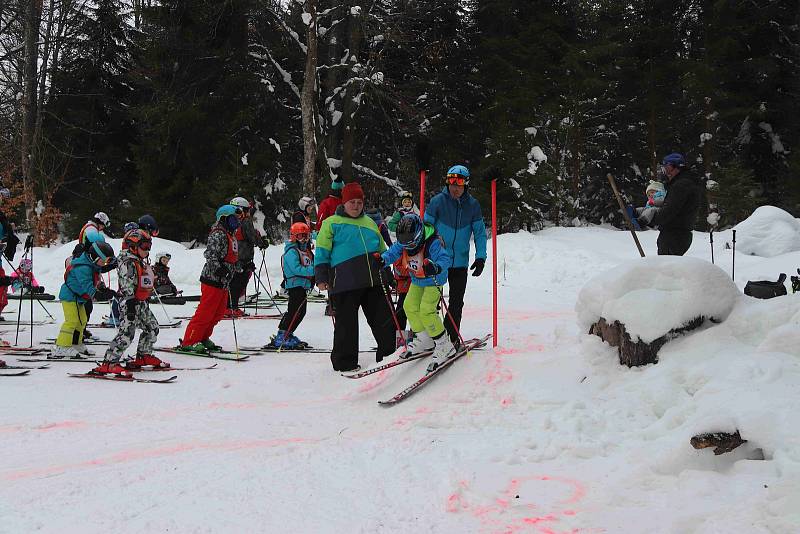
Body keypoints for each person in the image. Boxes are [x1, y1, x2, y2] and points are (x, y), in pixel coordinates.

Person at [314, 182, 395, 372]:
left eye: (359, 202)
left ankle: (388, 355)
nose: (356, 205)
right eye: (352, 202)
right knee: (346, 325)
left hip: (373, 281)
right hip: (344, 282)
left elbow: (382, 250)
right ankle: (345, 362)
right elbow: (322, 251)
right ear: (344, 202)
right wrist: (321, 276)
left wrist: (388, 273)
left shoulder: (370, 223)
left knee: (384, 319)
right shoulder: (331, 223)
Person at [376, 214, 454, 372]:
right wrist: (383, 260)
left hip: (433, 280)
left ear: (419, 234)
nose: (408, 247)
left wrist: (436, 266)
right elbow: (393, 252)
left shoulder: (432, 242)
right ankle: (425, 339)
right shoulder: (404, 242)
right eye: (405, 244)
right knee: (409, 306)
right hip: (417, 280)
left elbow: (445, 258)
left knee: (427, 310)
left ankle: (445, 345)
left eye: (412, 243)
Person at [423, 164, 487, 346]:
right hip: (438, 261)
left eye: (459, 183)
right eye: (451, 182)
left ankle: (450, 338)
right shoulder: (437, 202)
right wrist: (433, 240)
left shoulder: (473, 205)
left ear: (466, 184)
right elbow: (425, 228)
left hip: (460, 262)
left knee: (456, 302)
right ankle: (431, 337)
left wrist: (480, 257)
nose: (454, 187)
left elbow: (480, 233)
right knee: (431, 302)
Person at [93, 229, 168, 376]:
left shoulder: (138, 260)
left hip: (141, 302)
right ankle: (109, 362)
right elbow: (127, 284)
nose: (147, 251)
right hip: (129, 303)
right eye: (144, 247)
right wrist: (130, 304)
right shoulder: (127, 262)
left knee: (152, 327)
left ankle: (144, 355)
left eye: (149, 247)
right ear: (132, 246)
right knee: (127, 333)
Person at [177, 205, 241, 354]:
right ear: (224, 218)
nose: (236, 222)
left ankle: (203, 337)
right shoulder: (218, 234)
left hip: (224, 281)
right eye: (233, 218)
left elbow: (230, 257)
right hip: (212, 279)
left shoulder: (230, 234)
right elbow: (210, 255)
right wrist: (219, 269)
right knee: (205, 312)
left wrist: (241, 266)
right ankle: (190, 340)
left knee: (218, 313)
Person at [52, 240, 115, 359]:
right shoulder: (83, 267)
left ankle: (76, 343)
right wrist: (98, 295)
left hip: (78, 298)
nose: (105, 263)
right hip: (70, 296)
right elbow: (87, 286)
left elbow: (96, 274)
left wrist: (109, 269)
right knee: (72, 321)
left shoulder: (92, 264)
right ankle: (61, 346)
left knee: (82, 321)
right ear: (95, 258)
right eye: (104, 261)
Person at [637, 153, 700, 255]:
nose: (665, 171)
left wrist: (648, 220)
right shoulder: (683, 183)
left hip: (674, 235)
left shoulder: (681, 185)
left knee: (667, 268)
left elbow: (668, 211)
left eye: (667, 167)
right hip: (676, 234)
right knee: (668, 267)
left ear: (675, 167)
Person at [268, 222, 314, 349]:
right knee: (294, 311)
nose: (304, 239)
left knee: (301, 311)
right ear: (294, 237)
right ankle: (281, 336)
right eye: (300, 236)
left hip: (303, 286)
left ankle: (288, 333)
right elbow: (296, 269)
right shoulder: (291, 252)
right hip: (295, 285)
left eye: (306, 236)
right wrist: (313, 270)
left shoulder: (306, 251)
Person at [75, 212, 115, 339]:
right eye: (104, 225)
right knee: (86, 303)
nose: (103, 228)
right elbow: (99, 243)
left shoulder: (88, 227)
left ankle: (81, 328)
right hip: (85, 263)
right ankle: (78, 331)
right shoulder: (91, 229)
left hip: (89, 262)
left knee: (86, 304)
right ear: (101, 223)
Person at [227, 196, 263, 317]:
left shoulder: (230, 221)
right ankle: (232, 307)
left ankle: (229, 306)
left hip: (234, 256)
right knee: (238, 283)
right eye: (246, 210)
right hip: (243, 256)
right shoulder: (245, 221)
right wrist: (262, 242)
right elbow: (252, 236)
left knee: (233, 282)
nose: (248, 212)